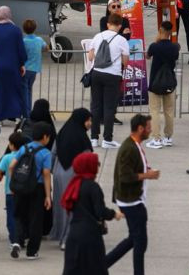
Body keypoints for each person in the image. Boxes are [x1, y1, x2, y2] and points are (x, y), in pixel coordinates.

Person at [107, 114, 160, 275]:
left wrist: (146, 170)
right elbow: (125, 176)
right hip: (131, 202)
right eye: (149, 128)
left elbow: (133, 168)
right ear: (140, 128)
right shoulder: (129, 148)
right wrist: (147, 175)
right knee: (140, 242)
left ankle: (103, 264)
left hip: (134, 199)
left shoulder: (134, 145)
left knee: (134, 239)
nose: (150, 131)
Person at [61, 151, 118, 275]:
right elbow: (100, 211)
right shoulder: (93, 187)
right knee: (97, 269)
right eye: (96, 164)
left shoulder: (75, 185)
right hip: (90, 236)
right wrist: (114, 214)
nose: (98, 166)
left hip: (74, 234)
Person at [10, 121, 54, 261]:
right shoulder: (46, 153)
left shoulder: (24, 148)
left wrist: (14, 183)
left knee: (19, 215)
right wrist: (48, 196)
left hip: (21, 187)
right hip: (37, 188)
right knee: (36, 219)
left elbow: (11, 166)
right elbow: (46, 174)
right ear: (45, 137)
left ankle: (17, 241)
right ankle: (32, 251)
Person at [51, 108, 93, 247]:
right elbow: (88, 159)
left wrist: (52, 170)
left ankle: (59, 234)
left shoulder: (63, 132)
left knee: (60, 206)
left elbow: (53, 153)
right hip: (73, 175)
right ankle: (67, 239)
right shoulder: (82, 137)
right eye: (88, 120)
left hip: (58, 172)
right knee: (73, 207)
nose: (90, 123)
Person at [87, 14, 127, 147]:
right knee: (109, 107)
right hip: (113, 75)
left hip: (97, 73)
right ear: (120, 26)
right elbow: (125, 61)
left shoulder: (98, 36)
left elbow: (90, 57)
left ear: (108, 24)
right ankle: (107, 139)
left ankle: (94, 138)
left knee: (95, 106)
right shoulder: (122, 40)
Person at [0, 6, 28, 123]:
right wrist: (22, 63)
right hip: (13, 66)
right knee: (14, 91)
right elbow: (21, 50)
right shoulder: (16, 30)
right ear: (9, 15)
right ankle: (16, 116)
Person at [146, 21, 179, 148]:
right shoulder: (175, 47)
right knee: (169, 111)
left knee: (155, 110)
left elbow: (148, 56)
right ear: (171, 32)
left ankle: (156, 138)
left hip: (155, 81)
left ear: (160, 30)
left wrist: (157, 39)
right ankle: (168, 137)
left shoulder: (155, 46)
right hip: (169, 81)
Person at [21, 19, 45, 119]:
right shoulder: (39, 40)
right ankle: (28, 110)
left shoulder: (23, 41)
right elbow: (46, 47)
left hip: (25, 69)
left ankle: (25, 113)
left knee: (24, 91)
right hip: (34, 69)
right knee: (29, 90)